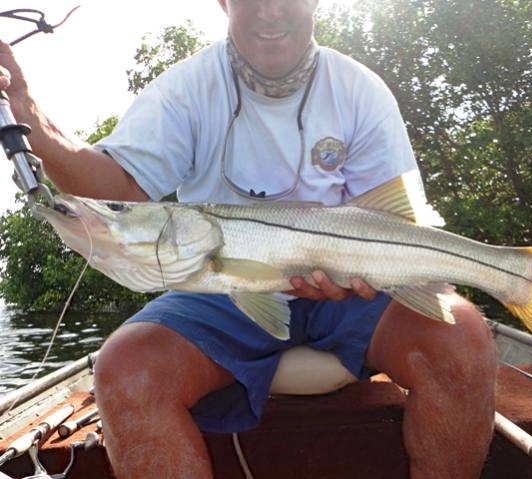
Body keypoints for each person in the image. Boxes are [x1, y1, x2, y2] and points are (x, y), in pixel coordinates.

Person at [0, 1, 497, 477]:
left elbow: (390, 221)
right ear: (223, 1)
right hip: (216, 289)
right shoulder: (186, 88)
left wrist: (361, 273)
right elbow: (119, 189)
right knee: (126, 369)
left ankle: (517, 278)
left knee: (462, 339)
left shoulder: (359, 89)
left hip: (350, 290)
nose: (270, 9)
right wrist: (27, 113)